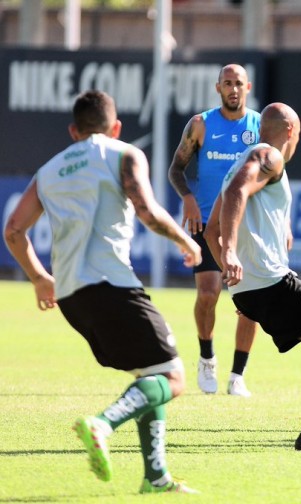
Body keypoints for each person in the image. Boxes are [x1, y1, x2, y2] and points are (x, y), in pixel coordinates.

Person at [3, 90, 202, 492]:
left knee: (150, 373)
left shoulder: (48, 171)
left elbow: (13, 230)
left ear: (73, 131)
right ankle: (102, 424)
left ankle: (156, 476)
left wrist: (40, 278)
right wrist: (186, 241)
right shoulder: (124, 153)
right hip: (111, 284)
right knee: (173, 377)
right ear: (116, 127)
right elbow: (146, 210)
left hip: (71, 297)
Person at [204, 102, 301, 452]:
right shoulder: (269, 155)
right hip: (269, 279)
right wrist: (230, 254)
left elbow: (210, 229)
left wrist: (235, 280)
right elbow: (237, 193)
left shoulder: (239, 162)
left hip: (255, 283)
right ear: (291, 130)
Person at [168, 63, 260, 396]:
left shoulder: (261, 127)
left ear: (248, 87)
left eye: (238, 83)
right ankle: (207, 358)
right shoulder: (200, 125)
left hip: (247, 225)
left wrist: (284, 225)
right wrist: (188, 198)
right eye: (227, 83)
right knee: (208, 295)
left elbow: (274, 176)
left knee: (250, 302)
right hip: (206, 222)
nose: (233, 89)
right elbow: (176, 169)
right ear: (217, 87)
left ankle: (238, 375)